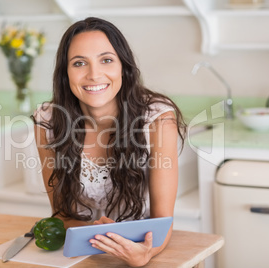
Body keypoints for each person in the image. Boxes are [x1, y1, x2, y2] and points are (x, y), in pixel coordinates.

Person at [32, 17, 186, 267]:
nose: (94, 75)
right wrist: (100, 236)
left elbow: (162, 221)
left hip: (142, 247)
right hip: (84, 253)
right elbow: (62, 214)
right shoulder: (48, 120)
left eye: (106, 60)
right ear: (65, 73)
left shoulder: (157, 118)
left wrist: (144, 254)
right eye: (79, 63)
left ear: (123, 67)